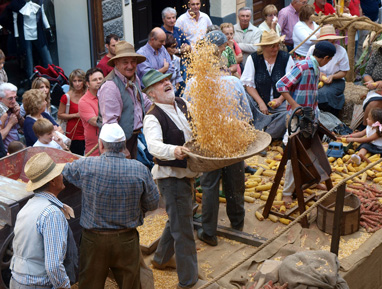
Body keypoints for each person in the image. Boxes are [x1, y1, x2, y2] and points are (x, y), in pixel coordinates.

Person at [142, 69, 218, 289]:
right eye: (160, 83)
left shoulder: (182, 102)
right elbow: (153, 146)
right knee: (184, 229)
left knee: (178, 218)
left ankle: (161, 259)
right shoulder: (152, 117)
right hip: (171, 179)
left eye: (167, 79)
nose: (166, 83)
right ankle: (188, 281)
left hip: (188, 173)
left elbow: (200, 122)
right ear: (151, 94)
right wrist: (174, 150)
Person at [62, 123, 159, 289]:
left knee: (89, 285)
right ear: (124, 146)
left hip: (94, 241)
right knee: (130, 285)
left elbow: (64, 171)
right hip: (126, 239)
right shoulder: (140, 169)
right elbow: (152, 203)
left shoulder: (86, 166)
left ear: (100, 144)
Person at [189, 36, 253, 247]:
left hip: (208, 144)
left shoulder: (193, 83)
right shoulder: (234, 82)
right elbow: (247, 117)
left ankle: (209, 232)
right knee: (235, 184)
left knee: (209, 186)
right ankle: (238, 225)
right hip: (234, 142)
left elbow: (190, 116)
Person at [276, 40, 336, 204]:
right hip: (297, 118)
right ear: (325, 58)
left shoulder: (316, 69)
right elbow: (281, 85)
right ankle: (288, 192)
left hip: (310, 117)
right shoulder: (303, 66)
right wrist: (295, 104)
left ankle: (313, 180)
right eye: (329, 60)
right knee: (294, 155)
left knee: (311, 151)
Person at [10, 152, 76, 289]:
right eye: (59, 173)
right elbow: (53, 266)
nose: (62, 176)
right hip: (37, 284)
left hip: (17, 280)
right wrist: (64, 286)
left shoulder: (28, 206)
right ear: (52, 181)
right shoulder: (52, 213)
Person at [98, 41, 152, 159]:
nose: (130, 65)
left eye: (133, 61)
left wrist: (156, 107)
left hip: (133, 137)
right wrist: (121, 148)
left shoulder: (134, 77)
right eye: (125, 62)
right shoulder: (110, 86)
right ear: (116, 63)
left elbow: (140, 98)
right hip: (117, 144)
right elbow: (110, 122)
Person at [241, 30, 294, 139]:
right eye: (272, 46)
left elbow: (290, 84)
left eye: (277, 45)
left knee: (289, 115)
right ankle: (262, 130)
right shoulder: (253, 59)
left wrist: (279, 100)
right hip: (258, 103)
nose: (276, 49)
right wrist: (261, 103)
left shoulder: (286, 58)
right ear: (264, 47)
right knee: (244, 100)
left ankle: (263, 134)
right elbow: (249, 85)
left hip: (281, 102)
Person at [306, 25, 349, 117]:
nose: (333, 44)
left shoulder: (341, 51)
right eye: (330, 42)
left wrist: (332, 76)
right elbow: (308, 65)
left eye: (333, 41)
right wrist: (318, 73)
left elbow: (344, 72)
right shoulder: (313, 49)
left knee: (323, 93)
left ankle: (329, 116)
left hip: (336, 80)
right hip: (316, 78)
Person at [57, 69, 86, 155]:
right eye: (74, 81)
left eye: (80, 80)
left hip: (87, 132)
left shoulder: (88, 94)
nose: (77, 84)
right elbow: (60, 114)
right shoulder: (66, 97)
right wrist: (75, 115)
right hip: (73, 134)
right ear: (71, 82)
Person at [78, 67, 104, 156]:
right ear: (88, 84)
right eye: (95, 80)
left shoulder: (108, 96)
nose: (99, 81)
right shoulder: (83, 101)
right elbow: (95, 121)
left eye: (101, 79)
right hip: (94, 149)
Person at [0, 83, 24, 150]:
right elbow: (0, 137)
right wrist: (10, 123)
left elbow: (24, 126)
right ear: (0, 99)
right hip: (5, 153)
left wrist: (18, 115)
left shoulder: (12, 107)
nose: (14, 101)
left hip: (17, 148)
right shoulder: (1, 113)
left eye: (15, 97)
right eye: (10, 98)